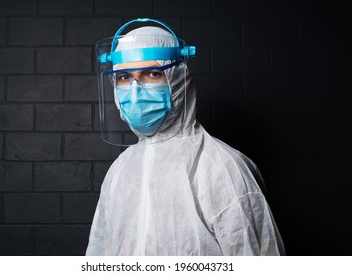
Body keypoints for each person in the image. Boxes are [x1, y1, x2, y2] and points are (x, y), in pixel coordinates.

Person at [86, 18, 285, 255]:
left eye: (152, 74)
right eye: (125, 77)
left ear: (178, 81)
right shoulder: (120, 171)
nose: (135, 91)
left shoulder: (223, 168)